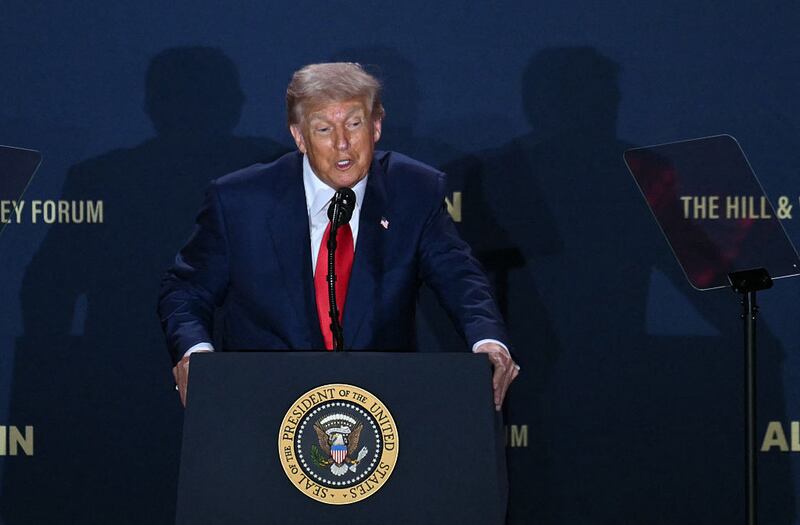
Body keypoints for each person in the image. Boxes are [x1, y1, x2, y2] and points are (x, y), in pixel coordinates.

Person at [158, 62, 519, 410]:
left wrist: (487, 341)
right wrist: (195, 355)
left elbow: (460, 278)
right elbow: (187, 291)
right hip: (263, 404)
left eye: (354, 123)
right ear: (299, 136)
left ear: (376, 126)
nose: (343, 143)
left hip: (380, 407)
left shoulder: (414, 191)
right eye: (324, 129)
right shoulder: (240, 202)